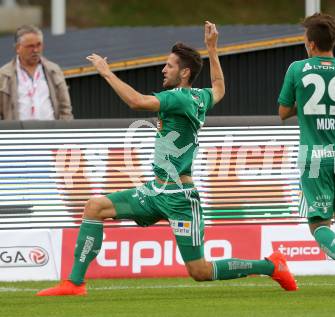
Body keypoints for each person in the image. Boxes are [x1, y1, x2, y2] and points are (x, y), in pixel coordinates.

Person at [37, 21, 296, 296]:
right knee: (95, 207)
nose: (163, 69)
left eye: (169, 66)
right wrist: (212, 48)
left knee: (200, 271)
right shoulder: (200, 96)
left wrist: (106, 73)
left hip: (180, 198)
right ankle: (75, 283)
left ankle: (270, 266)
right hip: (156, 189)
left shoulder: (180, 98)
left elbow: (136, 102)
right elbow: (219, 87)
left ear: (184, 73)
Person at [278, 13, 335, 296]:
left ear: (311, 44)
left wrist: (304, 105)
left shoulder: (297, 69)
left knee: (318, 222)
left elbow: (282, 112)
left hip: (314, 157)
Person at [0, 25, 73, 120]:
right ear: (18, 48)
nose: (36, 50)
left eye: (39, 45)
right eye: (30, 46)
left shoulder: (54, 70)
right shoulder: (4, 75)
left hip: (50, 132)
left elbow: (65, 108)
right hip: (18, 133)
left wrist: (64, 131)